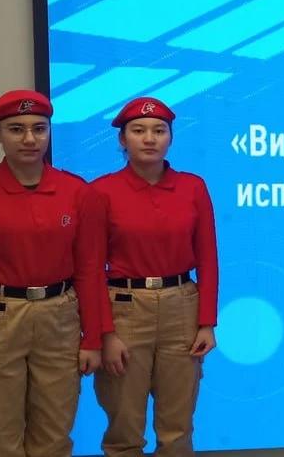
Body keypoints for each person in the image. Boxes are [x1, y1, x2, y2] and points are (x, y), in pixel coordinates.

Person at [0, 89, 102, 457]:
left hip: (59, 319)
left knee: (54, 437)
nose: (30, 139)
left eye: (39, 129)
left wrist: (92, 338)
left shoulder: (76, 192)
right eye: (16, 129)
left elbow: (89, 270)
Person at [86, 97, 219, 456]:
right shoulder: (101, 192)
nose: (149, 138)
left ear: (171, 137)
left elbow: (208, 258)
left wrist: (207, 323)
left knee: (177, 429)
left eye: (159, 131)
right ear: (122, 139)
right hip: (125, 310)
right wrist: (105, 333)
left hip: (182, 308)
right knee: (124, 427)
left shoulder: (193, 187)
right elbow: (91, 269)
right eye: (139, 130)